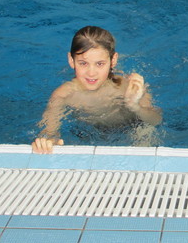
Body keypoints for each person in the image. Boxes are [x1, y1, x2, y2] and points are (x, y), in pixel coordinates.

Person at [31, 26, 162, 154]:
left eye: (100, 64)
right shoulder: (63, 95)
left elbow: (156, 120)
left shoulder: (128, 87)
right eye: (83, 63)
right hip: (87, 133)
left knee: (146, 133)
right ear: (71, 60)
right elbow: (49, 132)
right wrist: (47, 142)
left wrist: (135, 106)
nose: (91, 73)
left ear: (113, 60)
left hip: (130, 127)